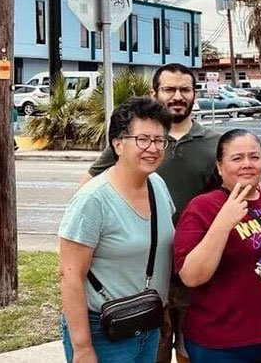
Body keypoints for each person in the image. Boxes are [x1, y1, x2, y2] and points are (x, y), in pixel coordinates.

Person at [83, 63, 219, 363]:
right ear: (154, 93)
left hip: (192, 275)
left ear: (194, 94)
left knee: (191, 352)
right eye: (169, 89)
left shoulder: (214, 145)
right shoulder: (133, 140)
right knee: (150, 352)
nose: (177, 96)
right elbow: (90, 185)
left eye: (185, 89)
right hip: (142, 277)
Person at [173, 129, 261, 362]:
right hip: (226, 344)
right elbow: (191, 276)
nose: (247, 164)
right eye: (237, 158)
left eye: (254, 157)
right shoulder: (203, 207)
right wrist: (223, 223)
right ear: (219, 166)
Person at [59, 97, 175, 363]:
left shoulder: (157, 184)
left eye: (159, 140)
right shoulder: (93, 199)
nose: (153, 148)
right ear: (118, 144)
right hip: (102, 329)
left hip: (147, 320)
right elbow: (70, 276)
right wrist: (83, 348)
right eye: (143, 139)